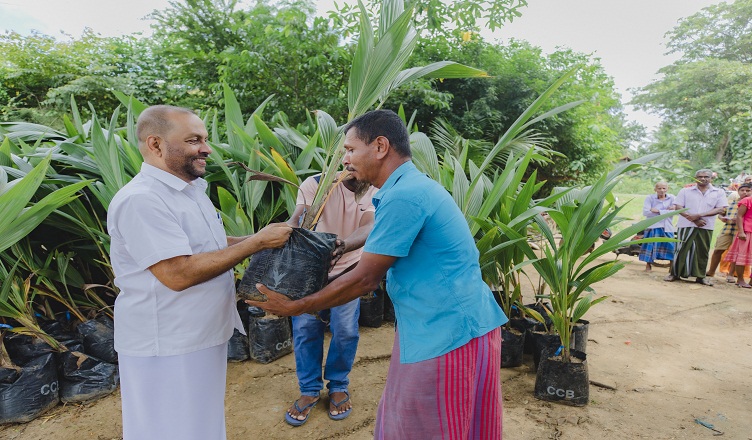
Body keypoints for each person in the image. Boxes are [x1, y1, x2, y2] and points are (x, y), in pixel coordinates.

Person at [248, 109, 507, 439]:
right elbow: (375, 242)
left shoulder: (404, 196)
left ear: (381, 146)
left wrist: (296, 306)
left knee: (430, 426)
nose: (345, 160)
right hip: (446, 324)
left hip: (448, 331)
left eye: (350, 149)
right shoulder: (409, 188)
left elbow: (364, 279)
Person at [107, 105, 292, 440]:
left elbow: (210, 245)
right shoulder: (142, 200)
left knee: (198, 426)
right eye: (194, 140)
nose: (206, 148)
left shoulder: (189, 191)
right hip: (168, 341)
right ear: (156, 144)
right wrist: (256, 243)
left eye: (205, 139)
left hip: (197, 333)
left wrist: (262, 238)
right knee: (171, 430)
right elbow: (177, 273)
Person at [284, 173, 377, 426]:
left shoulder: (373, 188)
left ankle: (338, 385)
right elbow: (299, 215)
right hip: (309, 270)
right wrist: (291, 226)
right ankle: (309, 389)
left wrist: (343, 246)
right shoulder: (315, 184)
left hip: (348, 270)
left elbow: (368, 225)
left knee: (345, 330)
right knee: (305, 329)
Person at [664, 169, 727, 285]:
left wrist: (699, 216)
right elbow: (678, 207)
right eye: (700, 176)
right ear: (695, 178)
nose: (702, 179)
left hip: (706, 226)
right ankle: (674, 273)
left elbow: (721, 209)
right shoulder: (685, 191)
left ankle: (700, 276)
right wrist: (694, 219)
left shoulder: (718, 192)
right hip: (685, 225)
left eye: (706, 176)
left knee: (702, 251)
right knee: (681, 248)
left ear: (711, 178)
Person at [707, 183, 752, 282]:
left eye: (748, 191)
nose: (745, 192)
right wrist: (722, 218)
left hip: (741, 231)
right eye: (742, 190)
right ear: (738, 192)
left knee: (736, 253)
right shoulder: (730, 203)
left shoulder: (749, 203)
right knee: (718, 249)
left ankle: (730, 274)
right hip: (727, 228)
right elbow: (721, 213)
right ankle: (711, 271)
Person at [639, 182, 676, 272]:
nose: (661, 190)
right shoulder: (650, 198)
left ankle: (672, 267)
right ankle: (648, 266)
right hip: (653, 225)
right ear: (655, 189)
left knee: (671, 246)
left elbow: (676, 211)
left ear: (667, 189)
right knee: (650, 246)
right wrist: (666, 211)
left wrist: (658, 211)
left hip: (667, 226)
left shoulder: (672, 198)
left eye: (664, 188)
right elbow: (646, 212)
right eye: (659, 188)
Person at [723, 183, 752, 288]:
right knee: (742, 256)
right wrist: (741, 232)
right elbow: (739, 216)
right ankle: (740, 280)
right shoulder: (747, 200)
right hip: (746, 231)